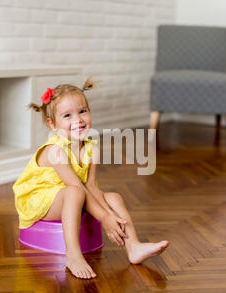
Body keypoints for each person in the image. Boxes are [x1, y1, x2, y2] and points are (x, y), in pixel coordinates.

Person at [13, 78, 169, 279]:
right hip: (40, 201)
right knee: (74, 191)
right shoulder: (55, 152)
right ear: (52, 123)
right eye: (67, 115)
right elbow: (76, 187)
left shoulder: (91, 149)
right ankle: (73, 254)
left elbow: (91, 187)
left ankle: (134, 246)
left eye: (82, 111)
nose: (78, 119)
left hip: (71, 195)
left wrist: (110, 214)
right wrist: (105, 218)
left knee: (114, 198)